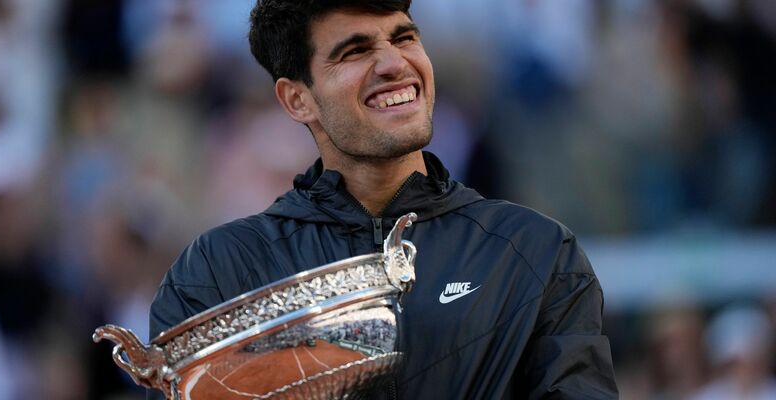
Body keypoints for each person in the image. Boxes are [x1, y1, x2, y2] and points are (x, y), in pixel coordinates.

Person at [148, 0, 618, 398]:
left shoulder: (536, 252)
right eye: (355, 51)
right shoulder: (217, 272)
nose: (395, 64)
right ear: (297, 100)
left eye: (404, 38)